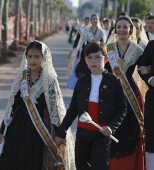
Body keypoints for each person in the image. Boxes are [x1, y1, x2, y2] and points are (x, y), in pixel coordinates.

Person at [0, 40, 75, 170]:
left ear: (44, 58)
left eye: (37, 57)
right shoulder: (21, 78)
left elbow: (55, 108)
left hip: (41, 126)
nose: (32, 60)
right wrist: (2, 130)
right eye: (29, 56)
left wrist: (59, 133)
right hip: (19, 125)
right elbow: (12, 105)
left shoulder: (49, 80)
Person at [55, 42, 127, 170]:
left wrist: (111, 127)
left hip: (102, 134)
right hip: (82, 134)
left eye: (98, 57)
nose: (94, 60)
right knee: (81, 166)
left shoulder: (114, 81)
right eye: (90, 57)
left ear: (105, 59)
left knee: (100, 166)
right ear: (85, 61)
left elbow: (122, 108)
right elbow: (73, 110)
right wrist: (61, 131)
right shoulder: (82, 82)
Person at [106, 16, 145, 170]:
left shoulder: (138, 50)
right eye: (119, 27)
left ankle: (130, 164)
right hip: (112, 92)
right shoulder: (108, 48)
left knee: (130, 130)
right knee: (112, 126)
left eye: (125, 27)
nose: (122, 30)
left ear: (131, 30)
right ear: (115, 29)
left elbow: (143, 70)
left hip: (130, 93)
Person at [138, 40, 154, 170]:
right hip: (153, 98)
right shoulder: (152, 45)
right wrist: (150, 79)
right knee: (151, 135)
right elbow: (142, 67)